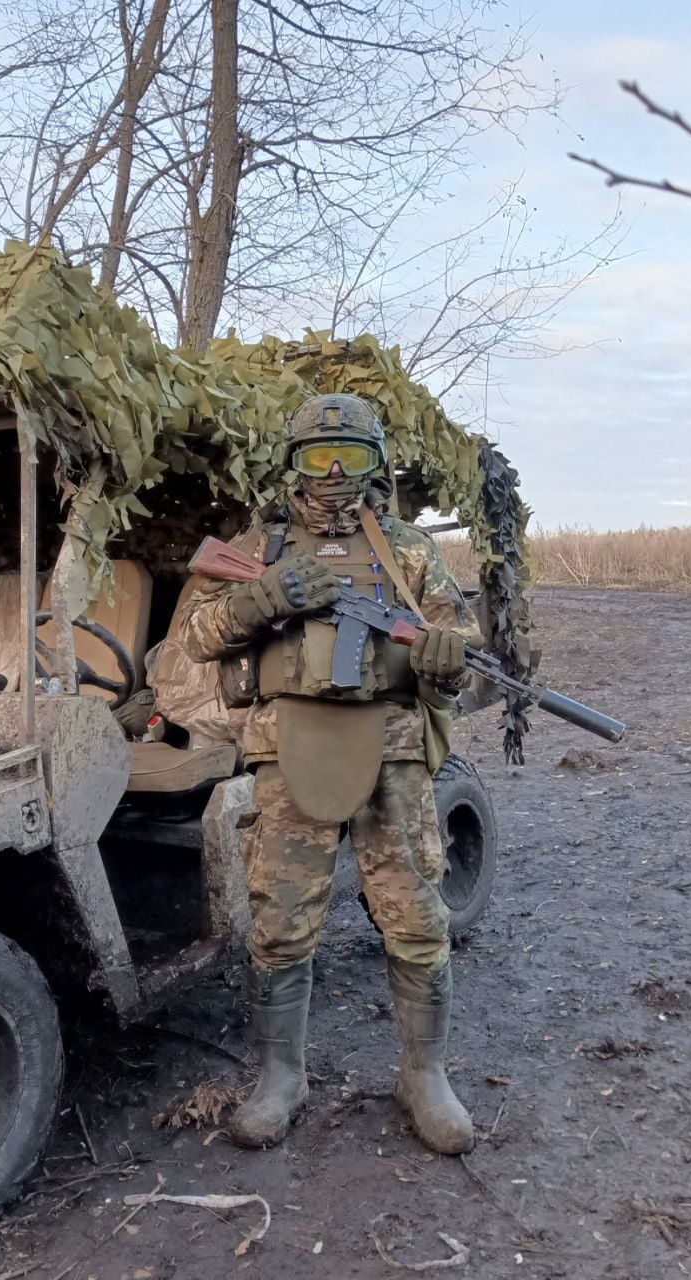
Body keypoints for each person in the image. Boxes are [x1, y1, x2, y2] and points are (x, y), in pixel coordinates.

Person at [175, 393, 482, 1153]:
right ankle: (282, 1077)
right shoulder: (262, 546)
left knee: (416, 915)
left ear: (380, 464)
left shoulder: (408, 549)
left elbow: (460, 644)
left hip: (394, 747)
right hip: (289, 745)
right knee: (280, 919)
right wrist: (265, 597)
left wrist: (448, 658)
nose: (336, 475)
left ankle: (424, 1075)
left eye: (354, 457)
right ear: (292, 463)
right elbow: (198, 634)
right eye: (319, 458)